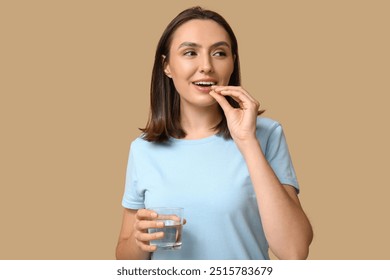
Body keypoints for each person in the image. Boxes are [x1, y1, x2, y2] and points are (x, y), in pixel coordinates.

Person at [116, 6, 313, 260]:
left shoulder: (266, 135)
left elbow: (295, 251)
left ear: (232, 63)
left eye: (220, 53)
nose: (207, 66)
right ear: (167, 66)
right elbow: (124, 255)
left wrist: (247, 141)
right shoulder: (143, 149)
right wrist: (139, 241)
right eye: (190, 53)